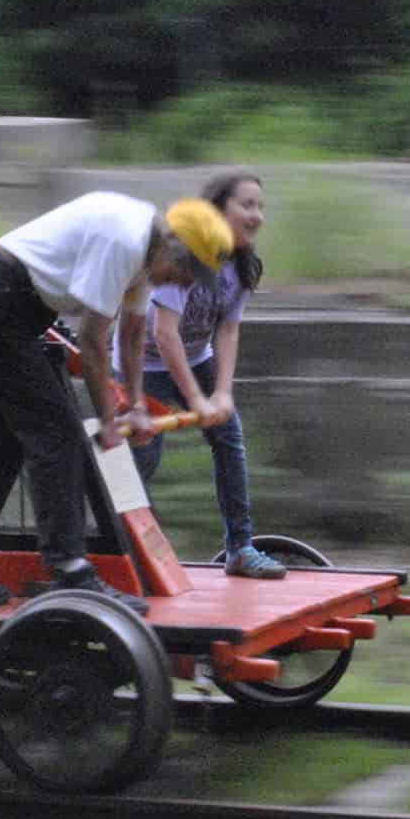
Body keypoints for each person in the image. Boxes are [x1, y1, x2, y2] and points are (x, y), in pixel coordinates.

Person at [0, 192, 234, 615]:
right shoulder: (124, 241)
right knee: (58, 437)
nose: (183, 285)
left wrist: (133, 405)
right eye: (187, 273)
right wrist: (108, 420)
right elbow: (94, 341)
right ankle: (71, 569)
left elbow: (132, 335)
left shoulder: (144, 249)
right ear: (173, 247)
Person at [119, 173, 284, 578]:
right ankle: (134, 558)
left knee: (229, 439)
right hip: (145, 364)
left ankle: (240, 549)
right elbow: (163, 332)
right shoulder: (185, 254)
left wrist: (222, 393)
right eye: (246, 205)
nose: (256, 215)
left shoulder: (241, 265)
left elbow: (228, 329)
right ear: (218, 209)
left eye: (260, 206)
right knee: (141, 457)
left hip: (197, 358)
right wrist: (196, 399)